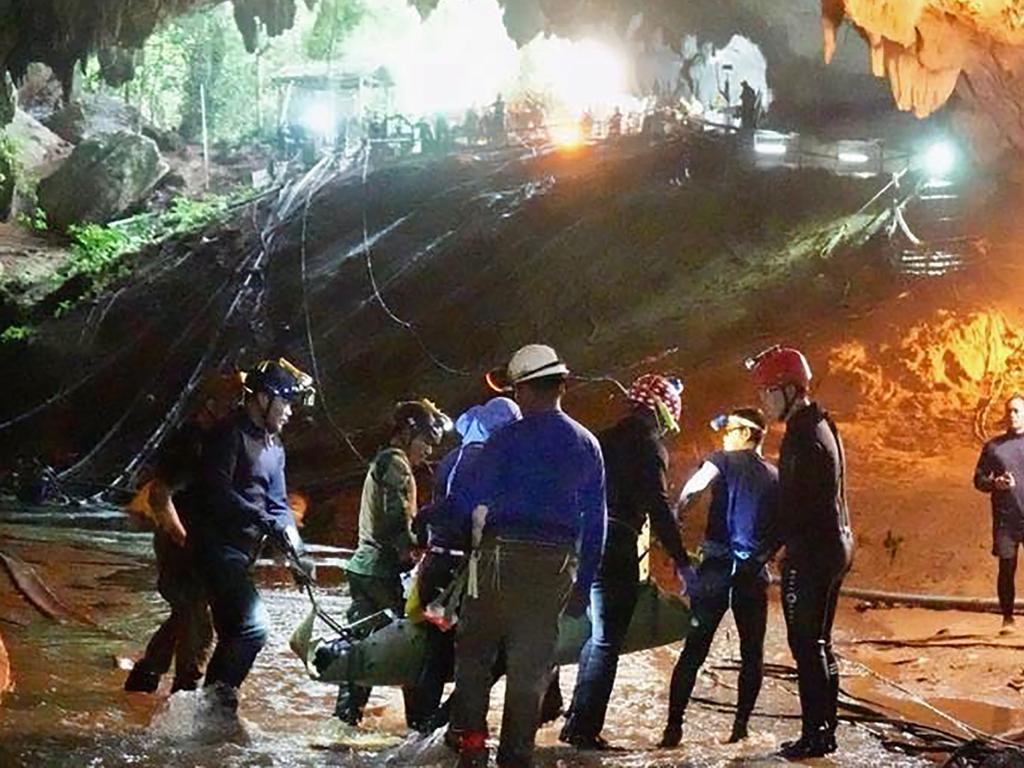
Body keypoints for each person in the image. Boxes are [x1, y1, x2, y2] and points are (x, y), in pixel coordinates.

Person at [450, 344, 606, 768]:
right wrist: (583, 586)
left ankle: (473, 748)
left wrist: (435, 520)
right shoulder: (587, 444)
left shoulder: (505, 439)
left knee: (475, 658)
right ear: (560, 385)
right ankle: (516, 756)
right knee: (530, 670)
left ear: (524, 390)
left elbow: (465, 501)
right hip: (555, 568)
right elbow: (596, 524)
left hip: (498, 561)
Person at [560, 373, 688, 750]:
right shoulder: (649, 447)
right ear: (663, 412)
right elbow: (658, 506)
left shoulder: (599, 439)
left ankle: (574, 718)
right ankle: (583, 729)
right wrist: (682, 561)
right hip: (616, 544)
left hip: (581, 542)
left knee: (592, 633)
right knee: (606, 640)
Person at [747, 345, 853, 758]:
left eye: (767, 392)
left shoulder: (801, 437)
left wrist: (762, 552)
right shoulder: (823, 425)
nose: (762, 400)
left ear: (790, 390)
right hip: (836, 544)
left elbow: (793, 505)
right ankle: (826, 731)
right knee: (820, 643)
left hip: (812, 553)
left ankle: (814, 735)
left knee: (806, 644)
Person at [194, 359, 317, 712]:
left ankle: (210, 711)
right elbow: (217, 491)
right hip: (216, 549)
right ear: (263, 398)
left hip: (243, 553)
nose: (291, 413)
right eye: (287, 403)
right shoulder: (229, 435)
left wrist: (297, 551)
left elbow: (279, 504)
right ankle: (217, 701)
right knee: (253, 628)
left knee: (234, 633)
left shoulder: (274, 446)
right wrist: (264, 521)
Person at [659, 407, 779, 748]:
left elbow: (694, 488)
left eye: (729, 429)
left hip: (715, 567)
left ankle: (672, 729)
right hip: (753, 573)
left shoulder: (721, 461)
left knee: (694, 650)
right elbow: (782, 526)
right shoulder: (775, 475)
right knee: (752, 652)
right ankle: (740, 729)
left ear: (746, 432)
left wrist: (676, 515)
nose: (724, 435)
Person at [124, 371, 244, 694]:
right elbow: (159, 495)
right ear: (211, 405)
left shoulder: (219, 440)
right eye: (233, 402)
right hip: (180, 547)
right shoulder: (191, 441)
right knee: (198, 620)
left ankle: (143, 679)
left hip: (198, 543)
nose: (238, 409)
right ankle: (185, 699)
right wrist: (184, 539)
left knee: (186, 614)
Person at [407, 397, 522, 731]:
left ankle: (421, 731)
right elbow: (472, 515)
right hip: (463, 575)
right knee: (495, 655)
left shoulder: (452, 459)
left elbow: (440, 511)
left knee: (437, 653)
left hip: (436, 569)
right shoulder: (487, 462)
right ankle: (447, 724)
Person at [336, 398, 452, 727]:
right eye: (425, 441)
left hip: (366, 568)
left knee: (365, 646)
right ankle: (419, 723)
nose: (428, 451)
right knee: (409, 646)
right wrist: (415, 551)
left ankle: (346, 719)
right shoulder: (396, 464)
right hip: (382, 573)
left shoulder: (385, 461)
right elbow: (394, 520)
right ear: (406, 433)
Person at [974, 394, 1024, 631]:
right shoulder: (993, 447)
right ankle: (1008, 619)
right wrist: (996, 484)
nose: (1012, 415)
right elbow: (979, 479)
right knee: (1007, 567)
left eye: (1017, 411)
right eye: (1010, 411)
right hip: (1006, 520)